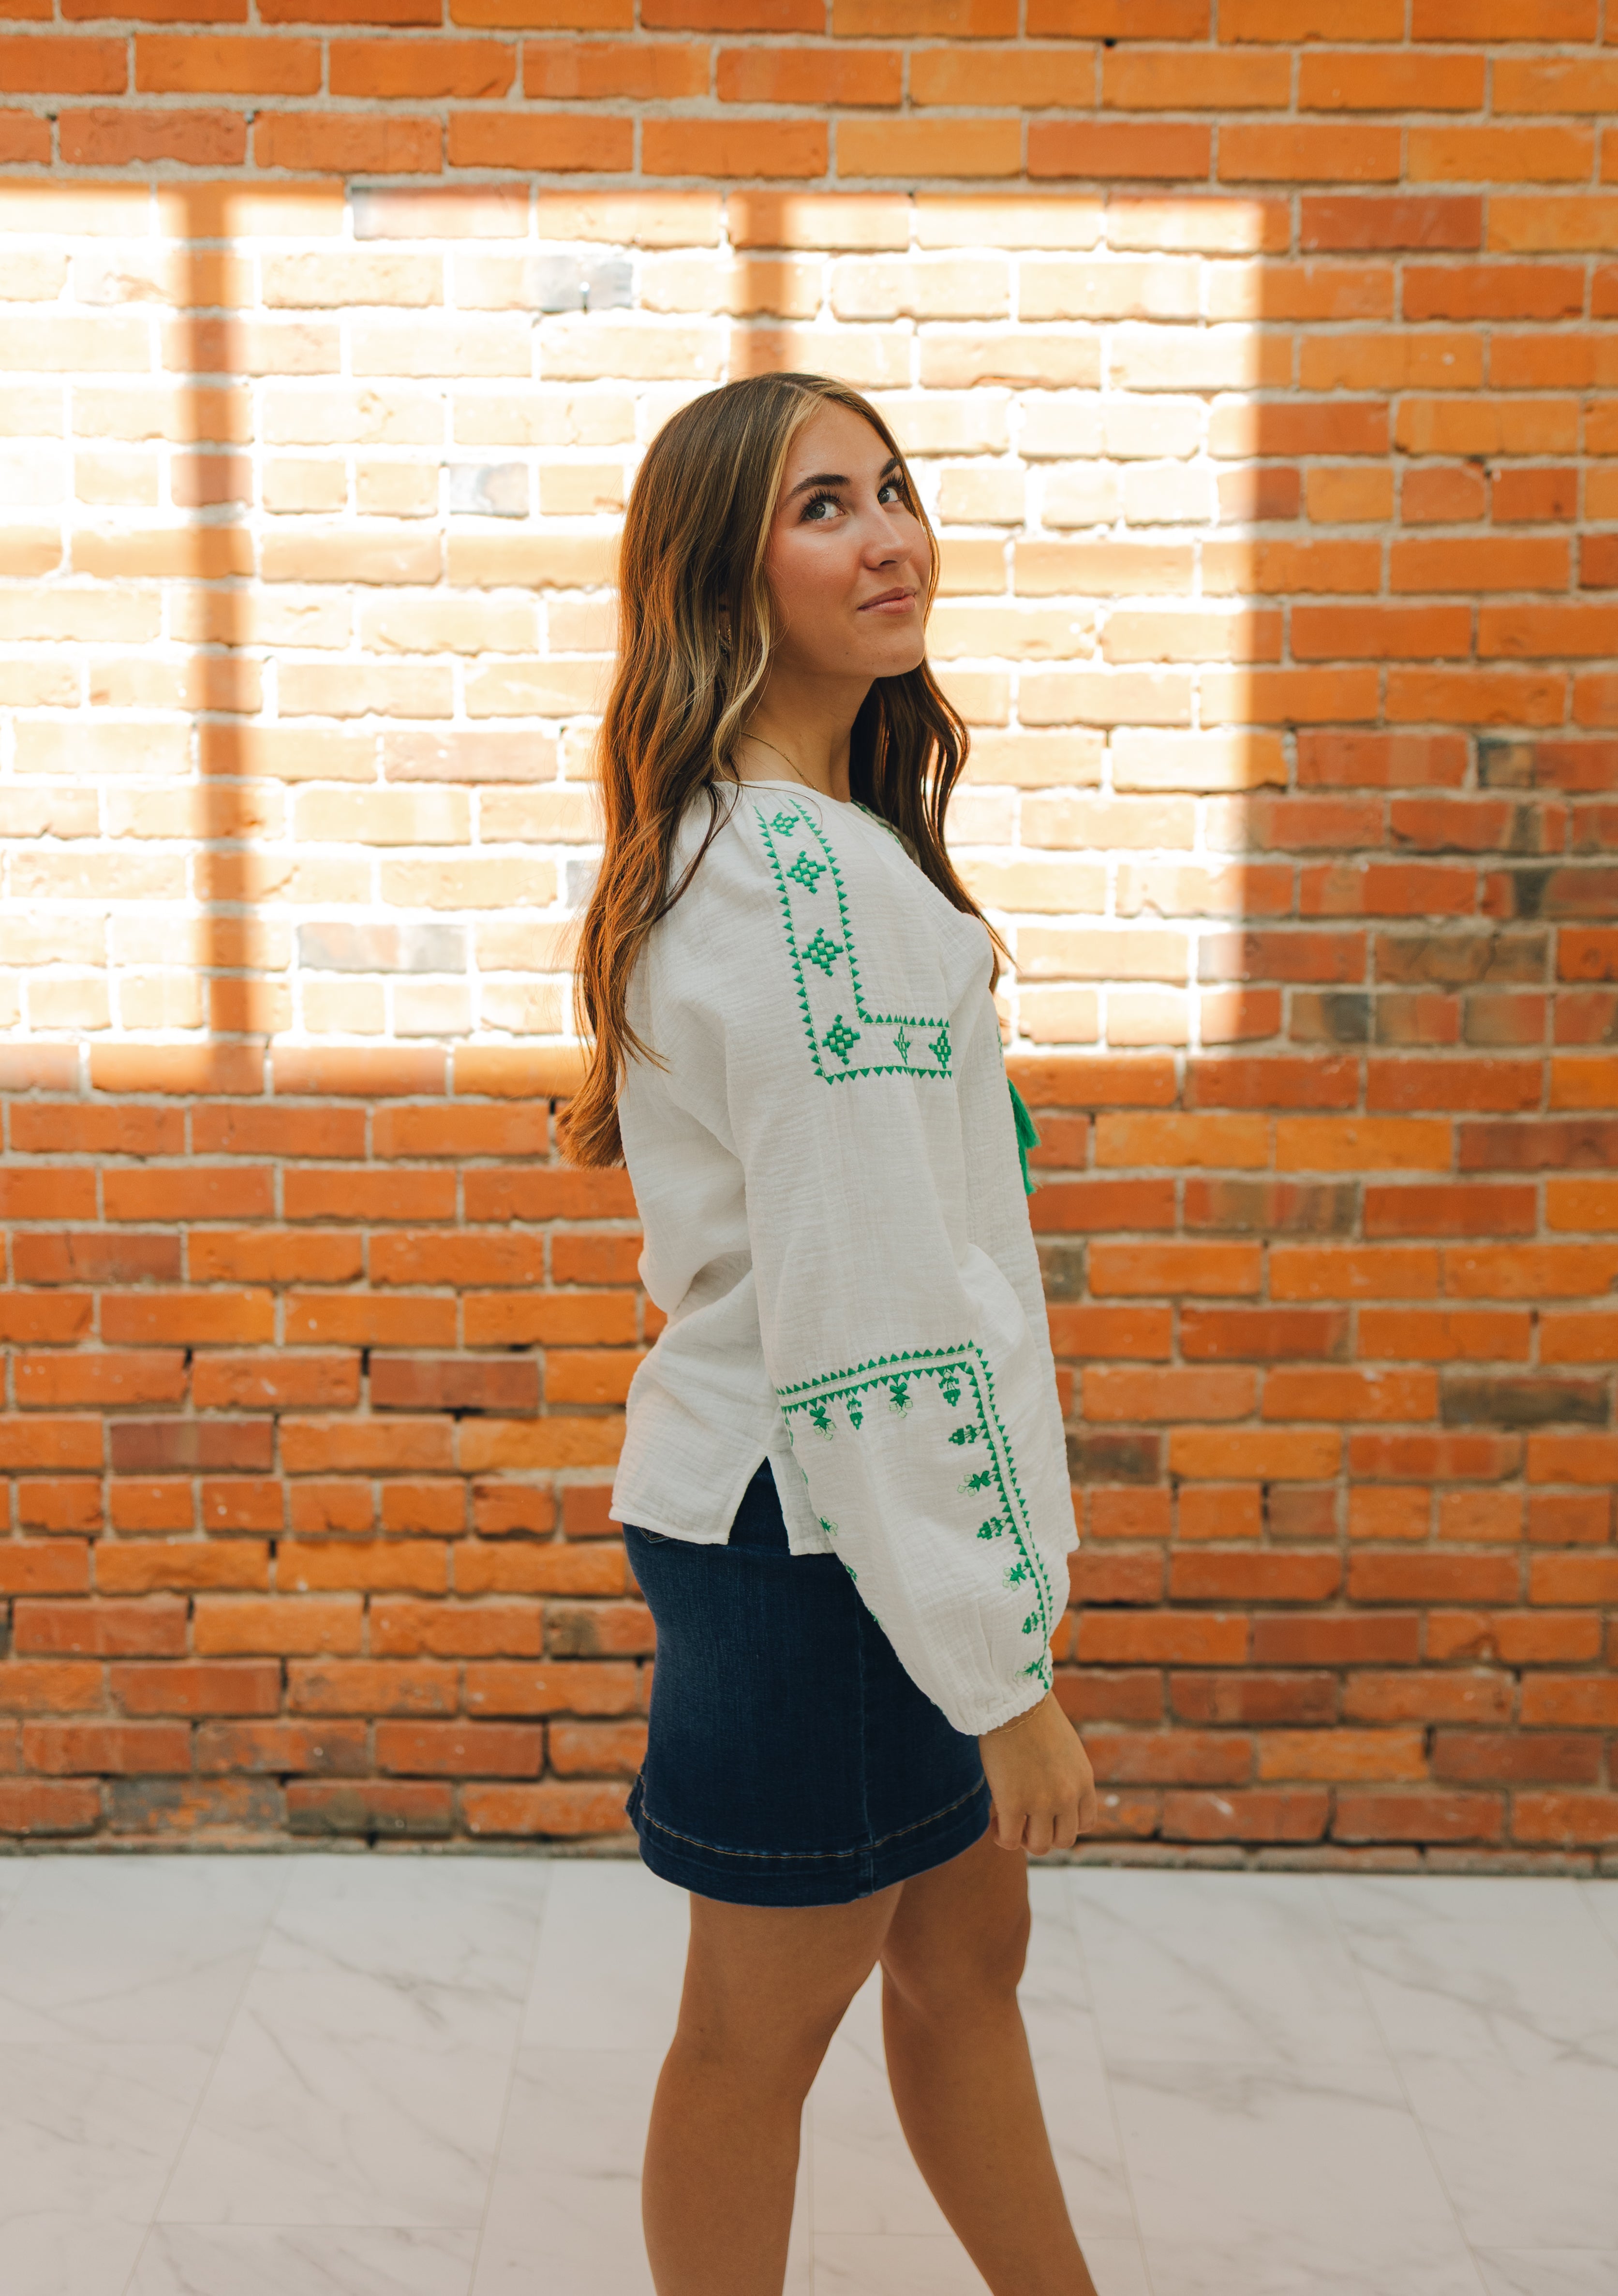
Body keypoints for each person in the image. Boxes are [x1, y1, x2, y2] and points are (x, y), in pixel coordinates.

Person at [564, 370, 1100, 2296]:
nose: (889, 538)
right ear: (725, 574)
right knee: (755, 2029)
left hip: (841, 1524)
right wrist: (1000, 1669)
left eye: (893, 490)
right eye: (821, 507)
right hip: (825, 1545)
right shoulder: (809, 887)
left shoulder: (769, 846)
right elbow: (868, 1324)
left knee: (964, 1961)